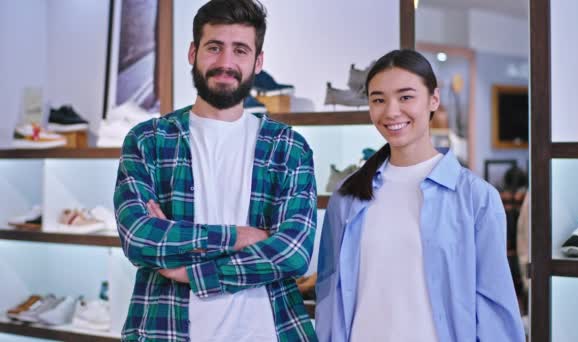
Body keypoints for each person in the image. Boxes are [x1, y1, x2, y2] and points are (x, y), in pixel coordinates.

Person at [113, 1, 317, 341]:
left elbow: (293, 253)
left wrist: (191, 273)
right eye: (214, 47)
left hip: (268, 331)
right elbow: (139, 238)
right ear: (193, 52)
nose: (226, 62)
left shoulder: (287, 147)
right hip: (166, 329)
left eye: (240, 50)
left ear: (258, 61)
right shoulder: (148, 141)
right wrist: (240, 236)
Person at [315, 49, 525, 342]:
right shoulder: (347, 197)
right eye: (378, 99)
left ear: (433, 100)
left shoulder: (476, 198)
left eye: (405, 97)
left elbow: (495, 309)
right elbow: (329, 294)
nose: (391, 111)